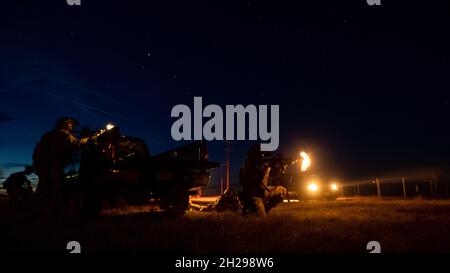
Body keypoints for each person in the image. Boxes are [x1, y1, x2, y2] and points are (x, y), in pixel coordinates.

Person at [32, 117, 85, 217]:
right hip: (51, 165)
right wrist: (81, 142)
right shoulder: (59, 135)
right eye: (69, 123)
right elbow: (66, 147)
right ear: (63, 124)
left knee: (48, 187)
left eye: (72, 124)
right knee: (54, 187)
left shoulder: (61, 135)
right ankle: (50, 212)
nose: (71, 125)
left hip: (51, 165)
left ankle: (42, 209)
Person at [238, 144, 287, 216]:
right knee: (261, 219)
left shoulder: (260, 163)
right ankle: (252, 210)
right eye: (261, 154)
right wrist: (266, 166)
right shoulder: (249, 164)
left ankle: (266, 209)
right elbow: (256, 176)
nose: (262, 156)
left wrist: (279, 168)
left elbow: (274, 175)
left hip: (262, 192)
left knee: (282, 190)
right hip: (253, 196)